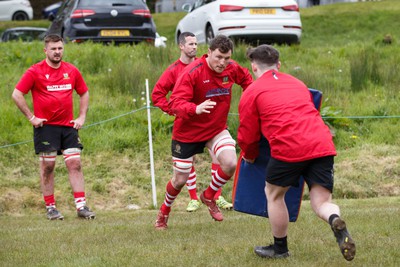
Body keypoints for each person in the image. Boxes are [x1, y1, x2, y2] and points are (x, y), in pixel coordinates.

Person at [237, 44, 355, 261]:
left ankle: (279, 248)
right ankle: (335, 218)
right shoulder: (299, 84)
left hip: (288, 147)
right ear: (279, 65)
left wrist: (250, 155)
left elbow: (247, 132)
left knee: (274, 195)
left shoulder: (252, 92)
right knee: (321, 203)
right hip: (321, 143)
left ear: (254, 67)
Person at [154, 34, 253, 230]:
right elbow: (175, 102)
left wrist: (253, 100)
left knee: (231, 162)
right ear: (208, 53)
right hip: (187, 132)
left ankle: (209, 196)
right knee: (179, 179)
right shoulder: (192, 71)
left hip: (215, 129)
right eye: (218, 57)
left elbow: (247, 81)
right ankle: (163, 212)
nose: (222, 63)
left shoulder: (231, 68)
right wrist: (195, 109)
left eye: (226, 58)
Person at [12, 34, 95, 220]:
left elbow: (84, 92)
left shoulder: (72, 71)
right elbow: (17, 94)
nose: (57, 52)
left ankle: (81, 207)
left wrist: (81, 117)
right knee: (48, 166)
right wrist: (31, 117)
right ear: (46, 50)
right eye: (53, 49)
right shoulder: (35, 71)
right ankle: (51, 208)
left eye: (60, 48)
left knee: (75, 163)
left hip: (68, 126)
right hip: (46, 127)